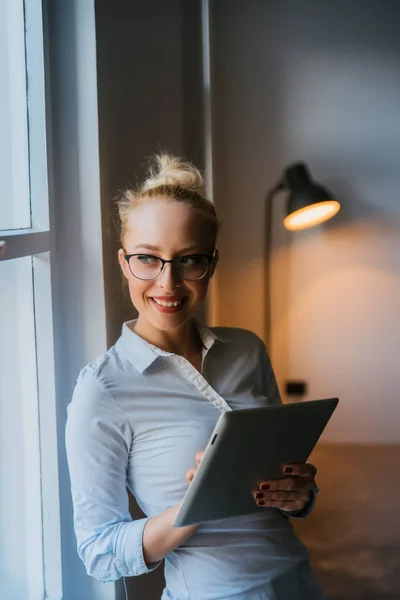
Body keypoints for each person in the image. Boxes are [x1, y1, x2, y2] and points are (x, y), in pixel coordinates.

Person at [66, 154, 326, 599]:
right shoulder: (102, 389)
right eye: (148, 258)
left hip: (298, 583)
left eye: (188, 261)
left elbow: (282, 496)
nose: (168, 283)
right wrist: (200, 502)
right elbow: (100, 552)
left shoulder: (247, 349)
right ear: (123, 262)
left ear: (212, 264)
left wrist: (299, 495)